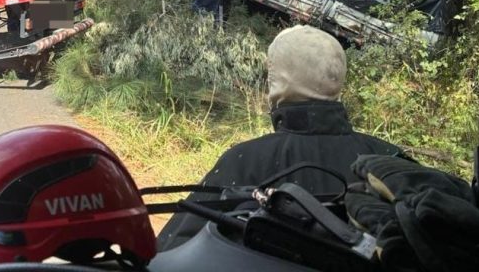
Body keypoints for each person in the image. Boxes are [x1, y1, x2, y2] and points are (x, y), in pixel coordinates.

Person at [157, 25, 404, 251]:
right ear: (337, 76)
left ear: (278, 83)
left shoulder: (245, 160)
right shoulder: (393, 163)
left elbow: (173, 249)